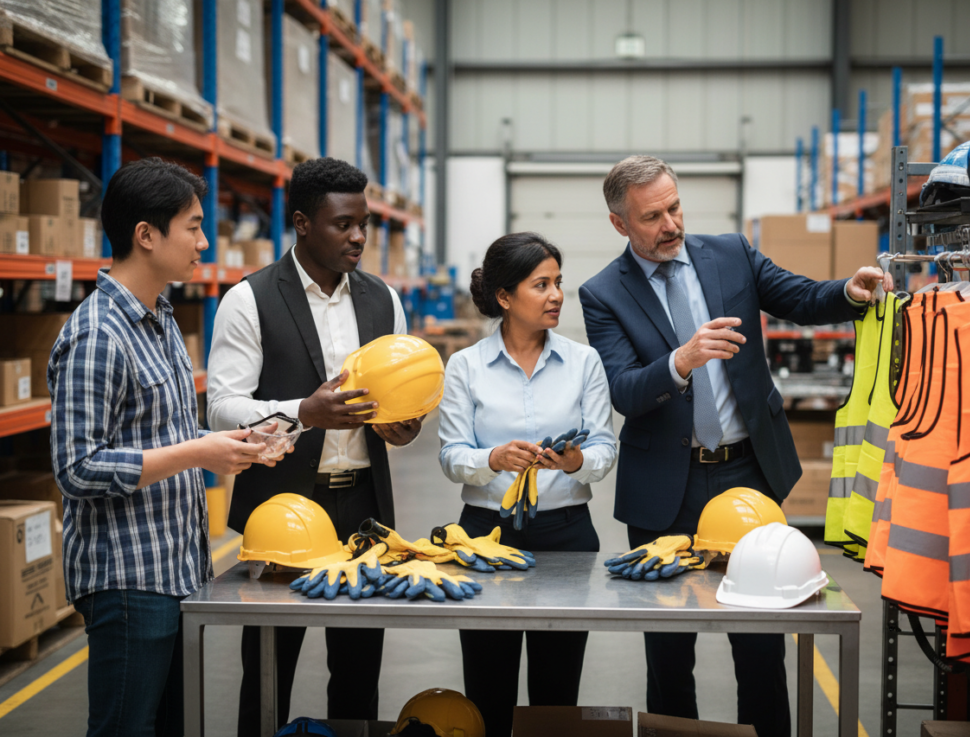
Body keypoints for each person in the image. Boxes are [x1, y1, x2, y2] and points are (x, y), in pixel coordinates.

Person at [579, 155, 892, 737]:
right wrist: (681, 360)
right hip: (664, 493)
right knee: (670, 653)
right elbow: (623, 389)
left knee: (760, 644)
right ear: (621, 224)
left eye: (674, 206)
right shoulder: (602, 293)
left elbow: (798, 297)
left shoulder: (730, 253)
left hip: (746, 475)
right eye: (653, 216)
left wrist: (847, 292)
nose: (671, 223)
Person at [48, 158, 276, 737]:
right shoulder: (98, 333)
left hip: (177, 568)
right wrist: (198, 455)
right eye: (193, 227)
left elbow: (165, 435)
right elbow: (75, 468)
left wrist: (229, 443)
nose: (204, 242)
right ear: (146, 235)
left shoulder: (162, 318)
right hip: (128, 578)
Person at [206, 157, 422, 735]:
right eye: (342, 224)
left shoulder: (384, 301)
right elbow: (222, 407)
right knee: (270, 666)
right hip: (283, 506)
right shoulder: (248, 300)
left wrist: (404, 425)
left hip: (364, 508)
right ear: (301, 222)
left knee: (358, 670)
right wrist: (304, 412)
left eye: (364, 223)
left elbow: (400, 397)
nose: (358, 237)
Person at [438, 232, 618, 737]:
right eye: (541, 284)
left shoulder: (585, 363)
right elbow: (451, 455)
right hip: (483, 538)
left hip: (567, 535)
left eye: (559, 282)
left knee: (557, 693)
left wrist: (575, 460)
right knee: (488, 685)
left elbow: (605, 449)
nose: (557, 295)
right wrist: (492, 457)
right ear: (504, 297)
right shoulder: (466, 366)